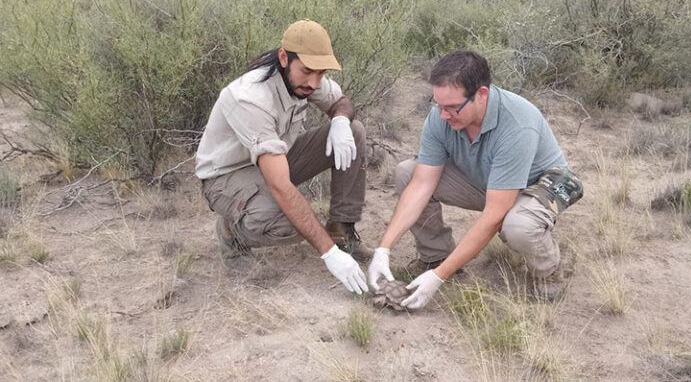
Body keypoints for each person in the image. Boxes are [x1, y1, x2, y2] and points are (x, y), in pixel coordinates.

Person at [367, 50, 583, 309]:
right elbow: (421, 184)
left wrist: (439, 279)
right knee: (407, 172)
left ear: (481, 94)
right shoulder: (441, 117)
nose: (443, 115)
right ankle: (437, 256)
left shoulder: (517, 124)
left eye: (451, 108)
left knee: (518, 226)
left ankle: (550, 270)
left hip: (540, 184)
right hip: (491, 181)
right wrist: (383, 250)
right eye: (438, 105)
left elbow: (494, 215)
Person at [195, 19, 371, 294]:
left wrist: (339, 119)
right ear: (283, 58)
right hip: (226, 177)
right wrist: (327, 254)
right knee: (294, 225)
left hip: (276, 158)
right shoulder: (251, 97)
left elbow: (341, 102)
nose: (314, 82)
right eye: (308, 72)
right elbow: (280, 185)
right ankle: (232, 232)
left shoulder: (307, 78)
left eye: (321, 73)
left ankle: (341, 232)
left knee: (354, 131)